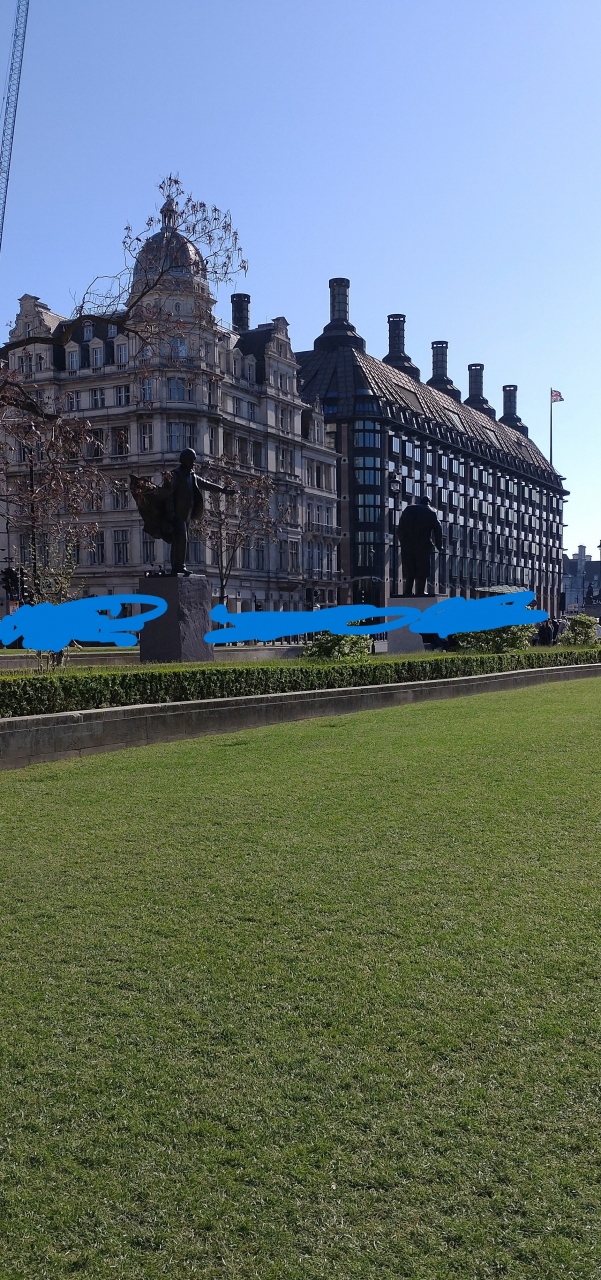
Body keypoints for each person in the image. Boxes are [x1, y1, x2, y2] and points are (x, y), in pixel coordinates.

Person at [398, 494, 443, 596]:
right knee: (422, 568)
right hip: (423, 545)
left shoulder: (408, 509)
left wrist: (403, 541)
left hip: (408, 545)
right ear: (428, 503)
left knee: (410, 568)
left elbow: (400, 528)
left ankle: (408, 591)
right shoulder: (431, 512)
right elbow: (438, 528)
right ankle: (420, 591)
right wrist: (439, 545)